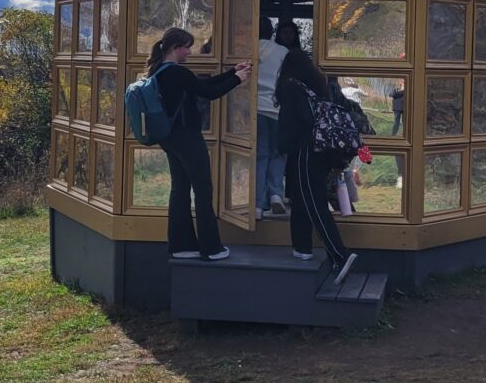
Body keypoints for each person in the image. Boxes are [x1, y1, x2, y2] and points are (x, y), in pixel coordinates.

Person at [148, 27, 251, 260]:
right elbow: (209, 92)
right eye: (187, 47)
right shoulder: (178, 73)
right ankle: (211, 248)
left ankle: (181, 246)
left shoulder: (159, 71)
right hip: (188, 137)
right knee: (203, 189)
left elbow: (203, 85)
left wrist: (232, 72)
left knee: (180, 189)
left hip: (169, 138)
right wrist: (237, 79)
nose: (190, 52)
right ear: (176, 48)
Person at [275, 49, 357, 284]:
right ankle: (301, 248)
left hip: (304, 151)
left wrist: (282, 146)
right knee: (302, 198)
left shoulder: (291, 87)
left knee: (314, 203)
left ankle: (340, 255)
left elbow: (293, 121)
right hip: (322, 151)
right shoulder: (316, 86)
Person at [256, 16, 288, 218]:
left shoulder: (246, 50)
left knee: (259, 156)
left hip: (254, 110)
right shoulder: (282, 52)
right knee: (278, 153)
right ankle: (276, 194)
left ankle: (257, 205)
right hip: (277, 110)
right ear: (272, 32)